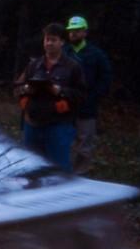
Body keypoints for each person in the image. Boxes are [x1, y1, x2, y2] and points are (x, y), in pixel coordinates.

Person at [14, 22, 86, 172]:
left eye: (53, 40)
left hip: (58, 126)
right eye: (46, 39)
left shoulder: (73, 67)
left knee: (59, 170)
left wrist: (59, 91)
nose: (49, 43)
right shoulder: (34, 66)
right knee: (30, 168)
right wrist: (26, 90)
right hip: (32, 125)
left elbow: (81, 95)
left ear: (62, 42)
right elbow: (16, 88)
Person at [64, 15, 112, 174]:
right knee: (65, 141)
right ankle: (64, 173)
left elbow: (105, 79)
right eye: (71, 31)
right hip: (65, 105)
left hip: (87, 107)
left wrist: (93, 97)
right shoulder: (64, 52)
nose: (73, 34)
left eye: (77, 31)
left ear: (85, 32)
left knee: (84, 144)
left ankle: (80, 175)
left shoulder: (96, 55)